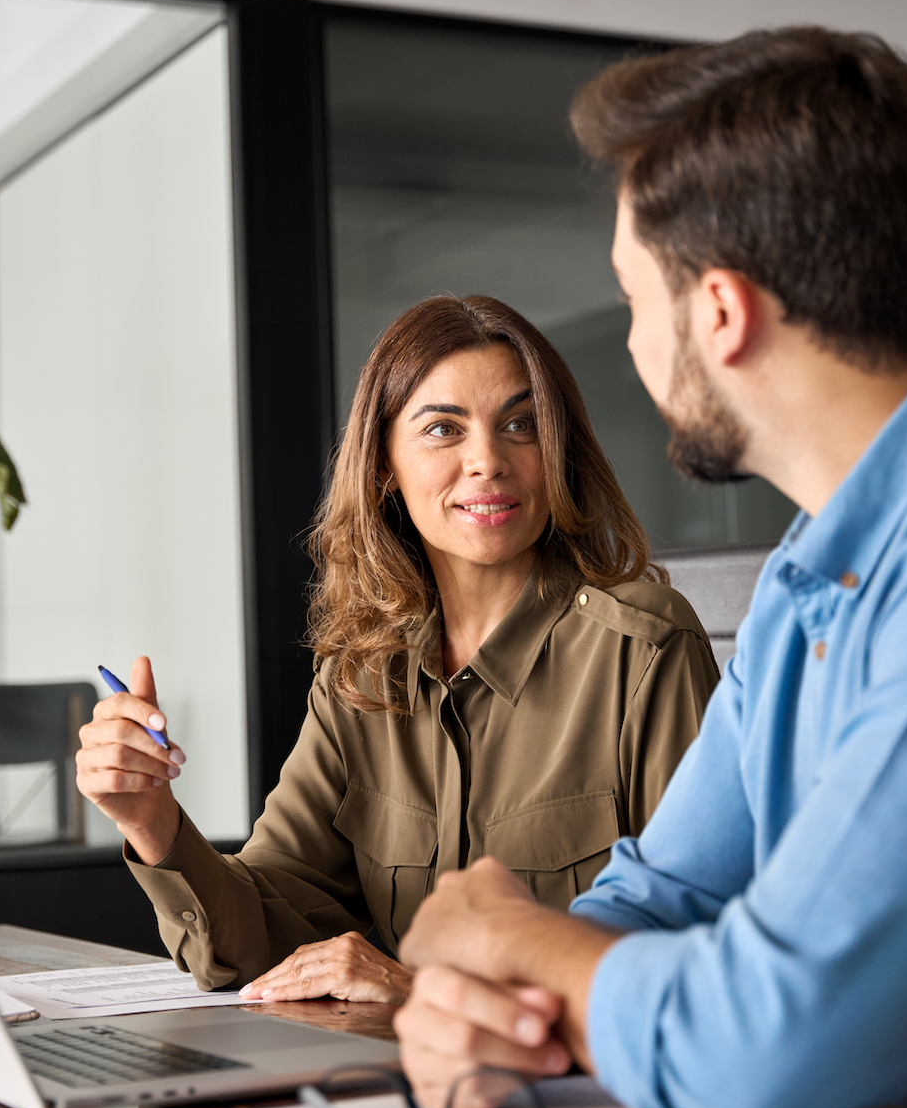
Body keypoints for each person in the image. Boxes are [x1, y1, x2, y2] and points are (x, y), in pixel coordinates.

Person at [394, 25, 907, 1108]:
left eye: (628, 299)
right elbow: (668, 893)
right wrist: (507, 1003)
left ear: (717, 311)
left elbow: (767, 1036)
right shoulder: (806, 575)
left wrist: (507, 937)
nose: (628, 346)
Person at [76, 295, 718, 1004]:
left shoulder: (646, 649)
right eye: (444, 429)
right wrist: (150, 820)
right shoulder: (362, 673)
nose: (487, 461)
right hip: (405, 1093)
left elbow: (697, 962)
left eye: (521, 424)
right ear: (384, 466)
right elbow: (255, 939)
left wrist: (418, 992)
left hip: (586, 1098)